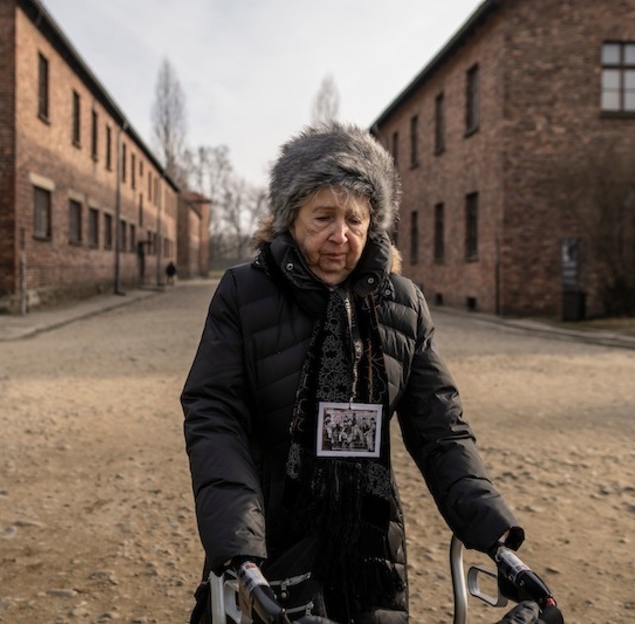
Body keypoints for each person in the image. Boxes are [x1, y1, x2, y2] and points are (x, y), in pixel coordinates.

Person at [182, 122, 526, 623]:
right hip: (269, 535)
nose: (340, 236)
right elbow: (214, 415)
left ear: (374, 225)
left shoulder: (403, 304)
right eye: (323, 216)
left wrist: (496, 536)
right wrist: (238, 544)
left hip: (369, 538)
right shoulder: (244, 293)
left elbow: (441, 431)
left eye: (355, 219)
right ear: (290, 219)